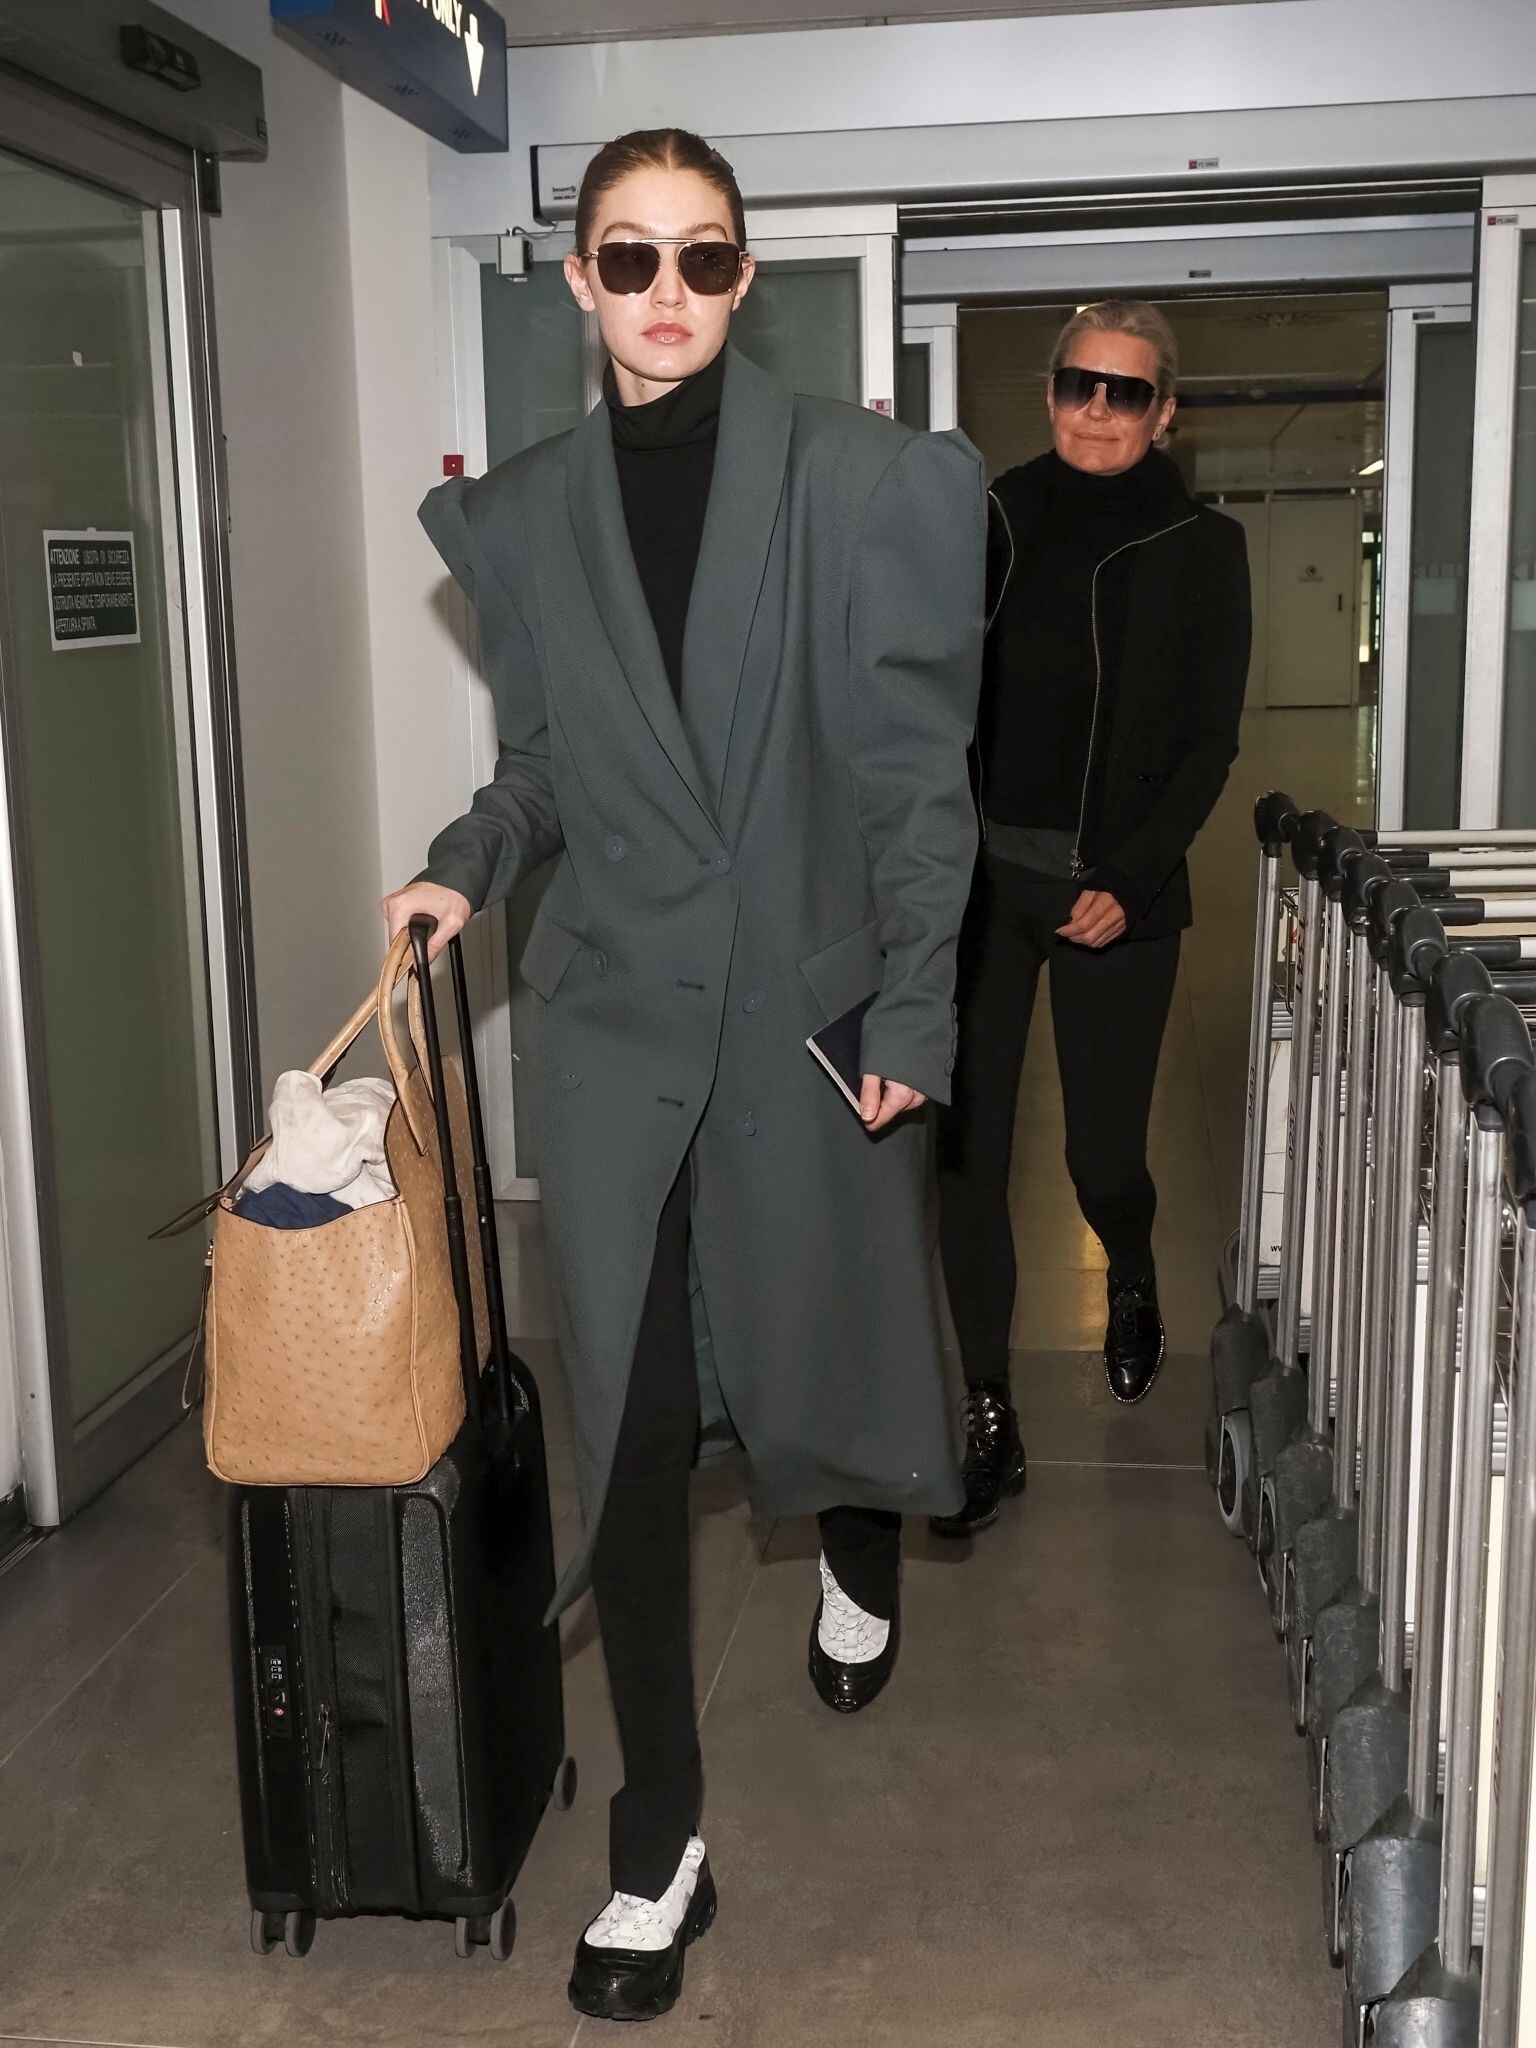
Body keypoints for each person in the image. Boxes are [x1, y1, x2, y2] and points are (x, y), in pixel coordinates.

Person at [384, 129, 984, 2023]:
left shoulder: (861, 482)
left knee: (823, 1343)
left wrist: (912, 1015)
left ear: (746, 278)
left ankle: (860, 1532)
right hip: (619, 1025)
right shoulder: (528, 514)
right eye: (628, 257)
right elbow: (550, 763)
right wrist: (464, 865)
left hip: (803, 1011)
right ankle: (662, 1845)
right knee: (632, 1432)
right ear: (577, 278)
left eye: (703, 258)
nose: (666, 293)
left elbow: (915, 783)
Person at [933, 300, 1250, 1539]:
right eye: (1080, 385)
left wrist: (1130, 872)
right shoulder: (993, 518)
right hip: (981, 887)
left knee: (1099, 1158)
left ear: (1166, 410)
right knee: (967, 1154)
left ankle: (1130, 1262)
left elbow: (1208, 740)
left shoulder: (1202, 545)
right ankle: (988, 1412)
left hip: (1118, 891)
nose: (1099, 411)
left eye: (1127, 391)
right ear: (1051, 391)